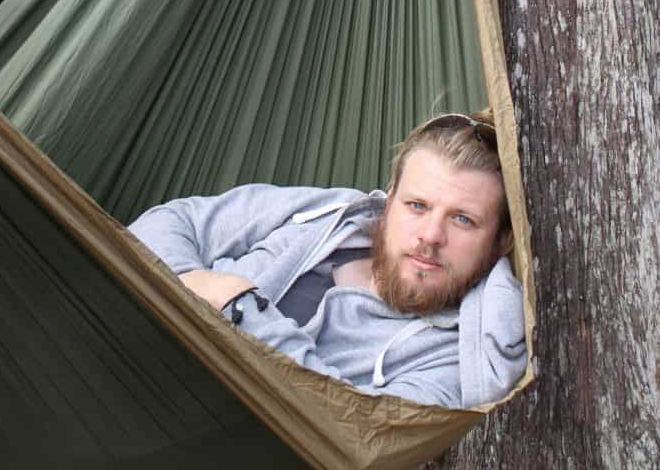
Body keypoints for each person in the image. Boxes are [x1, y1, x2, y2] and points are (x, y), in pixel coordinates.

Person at [129, 112, 527, 408]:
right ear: (389, 204)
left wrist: (237, 304)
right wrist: (188, 278)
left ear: (499, 242)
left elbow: (357, 431)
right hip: (133, 362)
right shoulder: (330, 215)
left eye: (463, 219)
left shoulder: (452, 362)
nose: (430, 236)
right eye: (417, 205)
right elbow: (171, 221)